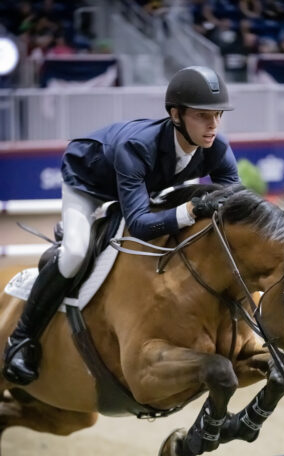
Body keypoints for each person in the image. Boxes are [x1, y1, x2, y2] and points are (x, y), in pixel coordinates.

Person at [2, 66, 240, 385]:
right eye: (202, 115)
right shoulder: (138, 146)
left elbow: (238, 204)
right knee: (75, 253)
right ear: (176, 115)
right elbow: (140, 224)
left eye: (218, 114)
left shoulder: (217, 148)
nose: (213, 125)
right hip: (88, 182)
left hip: (140, 187)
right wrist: (190, 209)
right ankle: (21, 340)